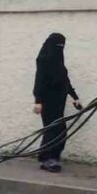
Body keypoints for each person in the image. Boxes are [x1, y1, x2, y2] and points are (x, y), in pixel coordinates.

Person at [32, 33, 82, 173]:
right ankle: (46, 159)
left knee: (61, 131)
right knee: (51, 130)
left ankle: (54, 156)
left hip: (59, 102)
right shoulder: (43, 61)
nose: (60, 48)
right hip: (47, 101)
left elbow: (65, 81)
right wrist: (38, 101)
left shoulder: (59, 62)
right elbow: (39, 81)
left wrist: (75, 97)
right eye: (58, 45)